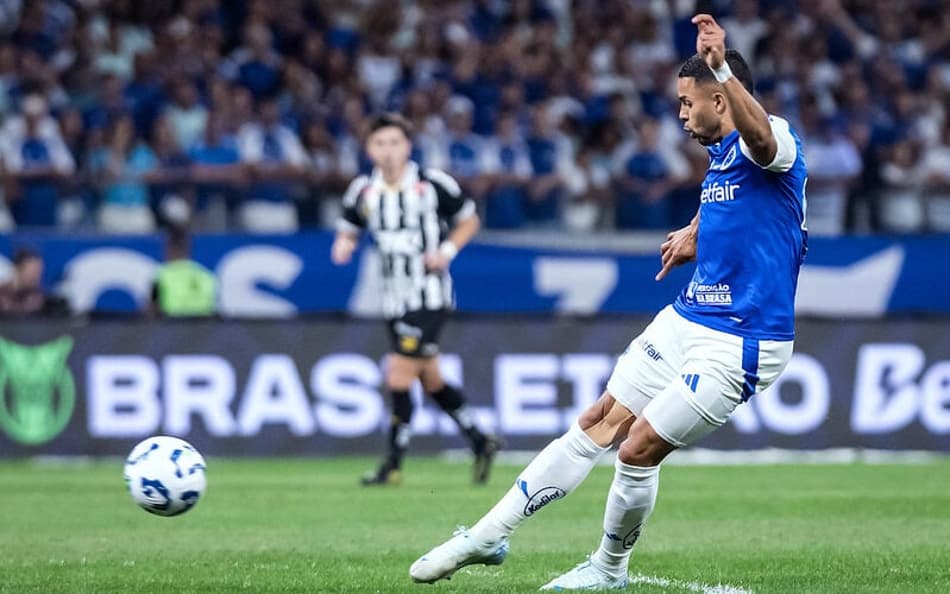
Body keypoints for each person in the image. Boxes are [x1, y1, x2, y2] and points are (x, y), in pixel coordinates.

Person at [409, 14, 808, 590]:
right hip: (690, 316)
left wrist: (719, 65)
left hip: (744, 341)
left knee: (639, 446)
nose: (680, 113)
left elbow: (764, 143)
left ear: (720, 98)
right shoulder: (720, 156)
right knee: (599, 419)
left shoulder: (775, 137)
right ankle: (487, 534)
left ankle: (608, 569)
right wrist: (696, 230)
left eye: (687, 102)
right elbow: (736, 204)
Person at [330, 112, 503, 487]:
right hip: (393, 300)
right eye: (380, 143)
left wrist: (446, 251)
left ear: (408, 146)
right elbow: (348, 228)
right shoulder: (363, 191)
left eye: (395, 143)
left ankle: (392, 465)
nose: (388, 151)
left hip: (430, 296)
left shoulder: (431, 183)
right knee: (430, 378)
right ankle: (480, 440)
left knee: (399, 371)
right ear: (369, 149)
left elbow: (469, 220)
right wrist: (344, 245)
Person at [149, 228, 217, 318]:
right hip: (204, 328)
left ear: (168, 248)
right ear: (188, 249)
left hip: (172, 326)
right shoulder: (207, 275)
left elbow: (151, 310)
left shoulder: (162, 275)